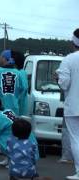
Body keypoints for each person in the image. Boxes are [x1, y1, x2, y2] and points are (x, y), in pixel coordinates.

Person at [0, 95, 38, 168]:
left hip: (17, 148)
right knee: (6, 135)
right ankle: (10, 159)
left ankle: (13, 160)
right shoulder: (9, 111)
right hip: (32, 149)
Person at [56, 28, 79, 180]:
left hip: (74, 105)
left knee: (76, 138)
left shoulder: (69, 59)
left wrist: (57, 78)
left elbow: (64, 84)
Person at [0, 50, 27, 116]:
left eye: (0, 56)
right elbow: (23, 90)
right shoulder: (18, 73)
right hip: (13, 110)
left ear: (4, 58)